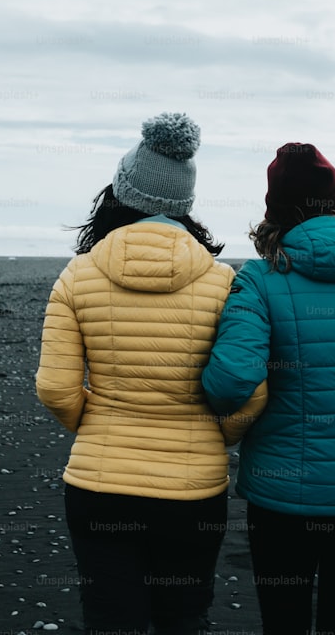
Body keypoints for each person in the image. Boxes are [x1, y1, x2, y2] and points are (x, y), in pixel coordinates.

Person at [35, 112, 265, 635]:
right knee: (183, 618)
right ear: (185, 205)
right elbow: (250, 391)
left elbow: (54, 386)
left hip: (98, 483)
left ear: (121, 193)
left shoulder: (78, 274)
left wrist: (96, 427)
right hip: (193, 489)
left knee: (110, 620)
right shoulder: (226, 282)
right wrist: (214, 434)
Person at [201, 142, 335, 635]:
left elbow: (230, 381)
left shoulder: (260, 280)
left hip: (284, 488)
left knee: (284, 622)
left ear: (275, 210)